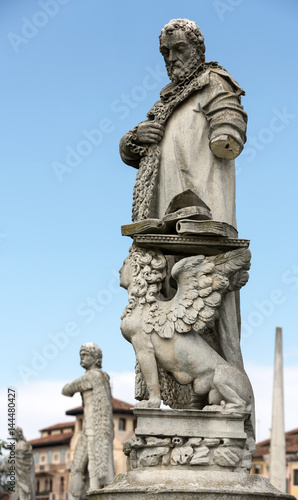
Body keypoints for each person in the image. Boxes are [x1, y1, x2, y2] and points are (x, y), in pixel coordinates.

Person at [119, 18, 248, 378]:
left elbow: (230, 119)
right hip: (165, 215)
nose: (171, 58)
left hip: (207, 213)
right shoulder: (167, 100)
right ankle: (178, 387)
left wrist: (227, 128)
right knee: (164, 291)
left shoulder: (214, 82)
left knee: (216, 305)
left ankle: (229, 390)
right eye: (165, 52)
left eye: (179, 49)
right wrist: (135, 137)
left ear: (197, 49)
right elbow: (131, 151)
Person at [62, 343, 115, 499]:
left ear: (96, 358)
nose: (82, 359)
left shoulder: (93, 376)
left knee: (94, 467)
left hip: (96, 428)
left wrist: (69, 385)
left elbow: (67, 390)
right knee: (77, 466)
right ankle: (77, 495)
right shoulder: (102, 377)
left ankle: (93, 495)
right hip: (89, 429)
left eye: (85, 355)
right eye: (81, 355)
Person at [11, 427, 35, 500]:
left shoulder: (17, 447)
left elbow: (11, 463)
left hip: (20, 478)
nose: (12, 436)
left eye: (13, 434)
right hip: (27, 479)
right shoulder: (27, 446)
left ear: (17, 434)